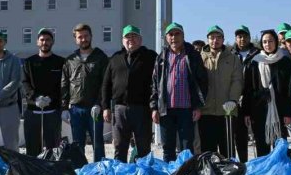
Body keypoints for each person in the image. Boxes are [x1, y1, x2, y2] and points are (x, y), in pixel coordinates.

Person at [151, 22, 208, 162]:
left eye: (177, 34)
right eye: (171, 34)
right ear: (166, 38)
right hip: (166, 110)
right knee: (168, 149)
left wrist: (198, 106)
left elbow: (202, 82)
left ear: (183, 36)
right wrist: (154, 107)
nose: (174, 37)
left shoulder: (193, 55)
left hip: (187, 110)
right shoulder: (161, 57)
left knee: (187, 149)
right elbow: (154, 84)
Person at [102, 25, 158, 162]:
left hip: (142, 109)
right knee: (120, 147)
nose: (131, 39)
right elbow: (106, 84)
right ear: (122, 40)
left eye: (134, 36)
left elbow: (157, 84)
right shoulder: (115, 58)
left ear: (140, 39)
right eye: (127, 37)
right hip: (120, 109)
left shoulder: (150, 57)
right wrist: (105, 107)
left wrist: (155, 107)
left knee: (143, 148)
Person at [242, 29, 291, 158]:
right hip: (259, 110)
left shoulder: (285, 62)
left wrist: (288, 112)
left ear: (276, 42)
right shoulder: (255, 62)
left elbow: (290, 89)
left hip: (280, 110)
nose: (267, 44)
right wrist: (247, 112)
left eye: (270, 41)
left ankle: (280, 174)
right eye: (264, 42)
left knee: (281, 147)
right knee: (262, 146)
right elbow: (248, 89)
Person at [61, 23, 109, 161]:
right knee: (77, 145)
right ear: (76, 39)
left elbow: (105, 83)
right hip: (76, 110)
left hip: (95, 109)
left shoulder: (100, 57)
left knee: (98, 144)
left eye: (86, 36)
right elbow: (64, 84)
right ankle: (80, 173)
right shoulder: (70, 60)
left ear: (91, 36)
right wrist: (64, 107)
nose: (83, 39)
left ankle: (100, 171)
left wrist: (100, 103)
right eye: (80, 37)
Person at [199, 25, 243, 156]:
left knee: (227, 149)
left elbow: (237, 80)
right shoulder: (200, 58)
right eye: (212, 37)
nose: (215, 40)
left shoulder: (233, 58)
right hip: (206, 111)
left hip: (227, 111)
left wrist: (233, 100)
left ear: (223, 39)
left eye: (218, 37)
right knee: (207, 150)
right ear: (207, 39)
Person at [22, 28, 65, 155]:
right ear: (37, 42)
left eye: (48, 40)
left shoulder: (60, 62)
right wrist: (35, 98)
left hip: (52, 112)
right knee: (32, 148)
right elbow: (24, 82)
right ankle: (34, 173)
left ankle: (51, 173)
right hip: (32, 111)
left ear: (52, 42)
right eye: (42, 40)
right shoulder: (29, 62)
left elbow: (63, 84)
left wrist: (50, 98)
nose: (44, 42)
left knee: (53, 148)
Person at [230, 25, 260, 162]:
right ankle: (243, 164)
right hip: (236, 99)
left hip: (254, 99)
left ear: (249, 37)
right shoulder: (230, 54)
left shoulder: (258, 54)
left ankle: (260, 165)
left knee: (258, 136)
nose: (242, 39)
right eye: (239, 36)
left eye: (244, 36)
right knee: (239, 136)